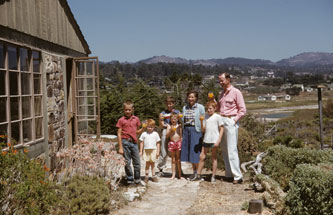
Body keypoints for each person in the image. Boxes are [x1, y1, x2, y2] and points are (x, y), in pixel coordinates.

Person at [217, 73, 246, 184]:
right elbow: (220, 108)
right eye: (219, 81)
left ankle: (237, 176)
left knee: (232, 149)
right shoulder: (222, 94)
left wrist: (233, 121)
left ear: (228, 79)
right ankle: (229, 174)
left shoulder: (236, 92)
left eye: (222, 80)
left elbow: (242, 110)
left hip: (230, 120)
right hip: (222, 120)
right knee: (224, 149)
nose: (220, 83)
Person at [116, 101, 144, 186]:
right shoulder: (121, 120)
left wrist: (143, 128)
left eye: (129, 110)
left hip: (134, 143)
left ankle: (137, 180)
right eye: (126, 110)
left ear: (132, 109)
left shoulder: (136, 119)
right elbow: (119, 133)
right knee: (127, 162)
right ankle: (130, 180)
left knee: (137, 162)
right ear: (123, 110)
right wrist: (120, 147)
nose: (127, 111)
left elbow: (137, 132)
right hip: (125, 142)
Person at [196, 101, 224, 183]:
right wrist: (201, 121)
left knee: (213, 157)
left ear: (215, 108)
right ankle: (198, 174)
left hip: (214, 140)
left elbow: (222, 128)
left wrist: (218, 140)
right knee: (202, 156)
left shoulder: (217, 117)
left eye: (210, 108)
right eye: (207, 109)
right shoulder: (205, 117)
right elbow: (203, 129)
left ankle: (213, 176)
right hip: (206, 139)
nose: (208, 110)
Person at [181, 90, 205, 181]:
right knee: (190, 152)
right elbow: (183, 120)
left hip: (196, 130)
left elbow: (203, 120)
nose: (191, 99)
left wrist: (203, 131)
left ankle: (198, 174)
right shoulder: (184, 108)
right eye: (189, 97)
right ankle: (194, 172)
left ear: (196, 98)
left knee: (196, 152)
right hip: (186, 130)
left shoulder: (200, 107)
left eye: (192, 97)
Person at [157, 96, 180, 176]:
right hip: (166, 130)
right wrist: (160, 120)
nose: (169, 105)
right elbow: (161, 125)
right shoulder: (163, 113)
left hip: (175, 131)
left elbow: (180, 122)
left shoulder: (177, 112)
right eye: (168, 104)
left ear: (173, 104)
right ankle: (160, 168)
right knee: (164, 150)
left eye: (171, 104)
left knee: (177, 150)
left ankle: (178, 170)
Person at [139, 119, 161, 183]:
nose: (150, 128)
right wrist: (141, 151)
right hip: (146, 150)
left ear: (154, 127)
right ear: (146, 126)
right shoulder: (144, 134)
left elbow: (158, 143)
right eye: (148, 127)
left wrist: (158, 151)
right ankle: (146, 176)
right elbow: (141, 142)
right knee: (147, 164)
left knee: (153, 164)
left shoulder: (155, 134)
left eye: (151, 127)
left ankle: (153, 176)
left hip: (153, 150)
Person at [166, 113, 182, 180]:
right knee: (173, 159)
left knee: (178, 159)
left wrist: (181, 141)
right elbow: (167, 136)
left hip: (178, 143)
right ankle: (173, 174)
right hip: (172, 143)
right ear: (170, 119)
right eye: (172, 119)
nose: (173, 120)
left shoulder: (179, 126)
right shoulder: (169, 126)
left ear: (177, 119)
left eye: (175, 119)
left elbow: (181, 135)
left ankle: (179, 174)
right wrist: (170, 130)